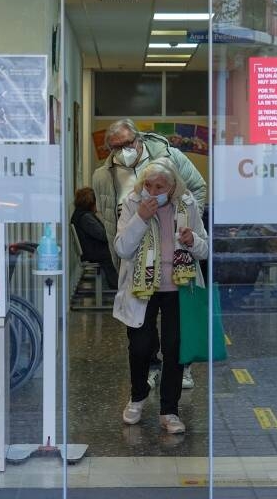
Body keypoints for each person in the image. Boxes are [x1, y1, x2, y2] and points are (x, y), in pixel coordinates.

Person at [92, 118, 207, 389]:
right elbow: (109, 219)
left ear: (139, 139)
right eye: (115, 147)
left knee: (177, 327)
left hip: (174, 254)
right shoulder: (103, 176)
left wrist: (186, 223)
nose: (122, 151)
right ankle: (152, 368)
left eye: (127, 144)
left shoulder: (170, 156)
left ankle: (181, 369)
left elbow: (197, 188)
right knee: (142, 324)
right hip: (135, 251)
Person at [112, 158, 208, 434]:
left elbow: (205, 249)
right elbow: (122, 248)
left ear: (173, 187)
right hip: (141, 288)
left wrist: (193, 241)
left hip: (178, 288)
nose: (153, 191)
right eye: (149, 185)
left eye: (160, 186)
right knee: (140, 347)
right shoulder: (132, 204)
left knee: (175, 349)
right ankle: (138, 396)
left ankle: (169, 410)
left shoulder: (187, 205)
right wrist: (141, 218)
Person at [71, 187, 118, 289]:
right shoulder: (86, 217)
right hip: (93, 252)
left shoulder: (80, 214)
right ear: (91, 203)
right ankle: (116, 284)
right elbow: (103, 235)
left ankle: (116, 283)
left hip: (89, 250)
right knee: (116, 251)